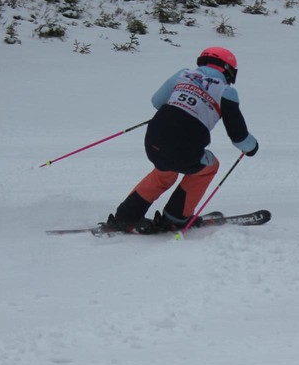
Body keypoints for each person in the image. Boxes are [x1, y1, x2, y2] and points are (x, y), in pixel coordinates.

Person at [105, 46, 258, 233]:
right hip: (185, 148)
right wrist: (251, 147)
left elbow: (157, 101)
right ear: (228, 70)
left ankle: (126, 217)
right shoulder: (226, 92)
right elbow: (239, 137)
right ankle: (176, 218)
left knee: (164, 174)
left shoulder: (183, 74)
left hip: (154, 140)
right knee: (209, 166)